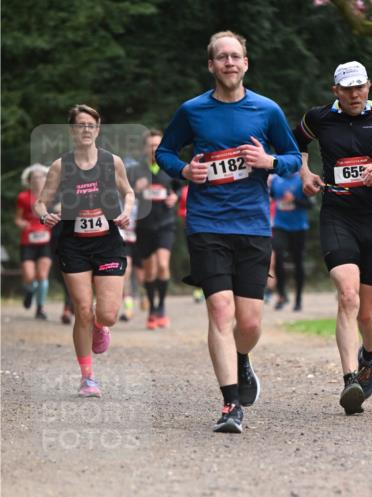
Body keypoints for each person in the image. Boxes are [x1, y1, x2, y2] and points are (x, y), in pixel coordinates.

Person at [155, 29, 302, 434]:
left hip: (253, 225)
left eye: (236, 56)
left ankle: (241, 358)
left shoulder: (267, 110)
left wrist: (268, 160)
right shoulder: (192, 111)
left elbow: (292, 158)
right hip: (207, 224)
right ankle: (230, 404)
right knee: (220, 311)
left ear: (246, 63)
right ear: (211, 65)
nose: (229, 63)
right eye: (222, 57)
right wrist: (184, 170)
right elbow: (164, 151)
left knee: (249, 322)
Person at [295, 60, 372, 415]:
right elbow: (295, 141)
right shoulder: (319, 118)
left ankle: (368, 355)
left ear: (368, 86)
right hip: (337, 214)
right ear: (336, 91)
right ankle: (350, 379)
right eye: (347, 88)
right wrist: (305, 171)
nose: (354, 94)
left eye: (360, 87)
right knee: (347, 293)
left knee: (366, 312)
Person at [33, 104, 134, 397]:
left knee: (108, 314)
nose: (86, 130)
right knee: (82, 309)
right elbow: (41, 202)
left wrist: (127, 211)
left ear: (98, 129)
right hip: (73, 243)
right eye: (80, 125)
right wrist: (45, 214)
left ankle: (101, 327)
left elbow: (128, 191)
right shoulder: (60, 166)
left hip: (107, 242)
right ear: (72, 130)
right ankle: (88, 377)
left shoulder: (111, 162)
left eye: (91, 125)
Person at [128, 129, 180, 329]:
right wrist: (136, 190)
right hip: (144, 226)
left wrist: (175, 196)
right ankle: (151, 311)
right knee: (149, 271)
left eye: (157, 145)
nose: (153, 149)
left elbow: (179, 187)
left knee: (163, 265)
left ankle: (161, 307)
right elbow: (124, 193)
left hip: (166, 224)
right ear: (144, 148)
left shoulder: (170, 166)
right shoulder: (135, 170)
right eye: (150, 145)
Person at [269, 171, 311, 311]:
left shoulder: (301, 180)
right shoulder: (275, 180)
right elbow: (271, 198)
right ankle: (282, 295)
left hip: (299, 227)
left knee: (298, 262)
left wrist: (294, 200)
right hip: (280, 226)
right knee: (278, 259)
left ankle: (298, 299)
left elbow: (309, 204)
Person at [15, 164, 51, 319]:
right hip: (28, 241)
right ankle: (30, 291)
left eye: (41, 177)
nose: (38, 180)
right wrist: (22, 223)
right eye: (35, 178)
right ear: (29, 181)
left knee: (43, 274)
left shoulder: (51, 196)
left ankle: (40, 308)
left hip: (45, 240)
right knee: (30, 276)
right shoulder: (23, 197)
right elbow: (17, 218)